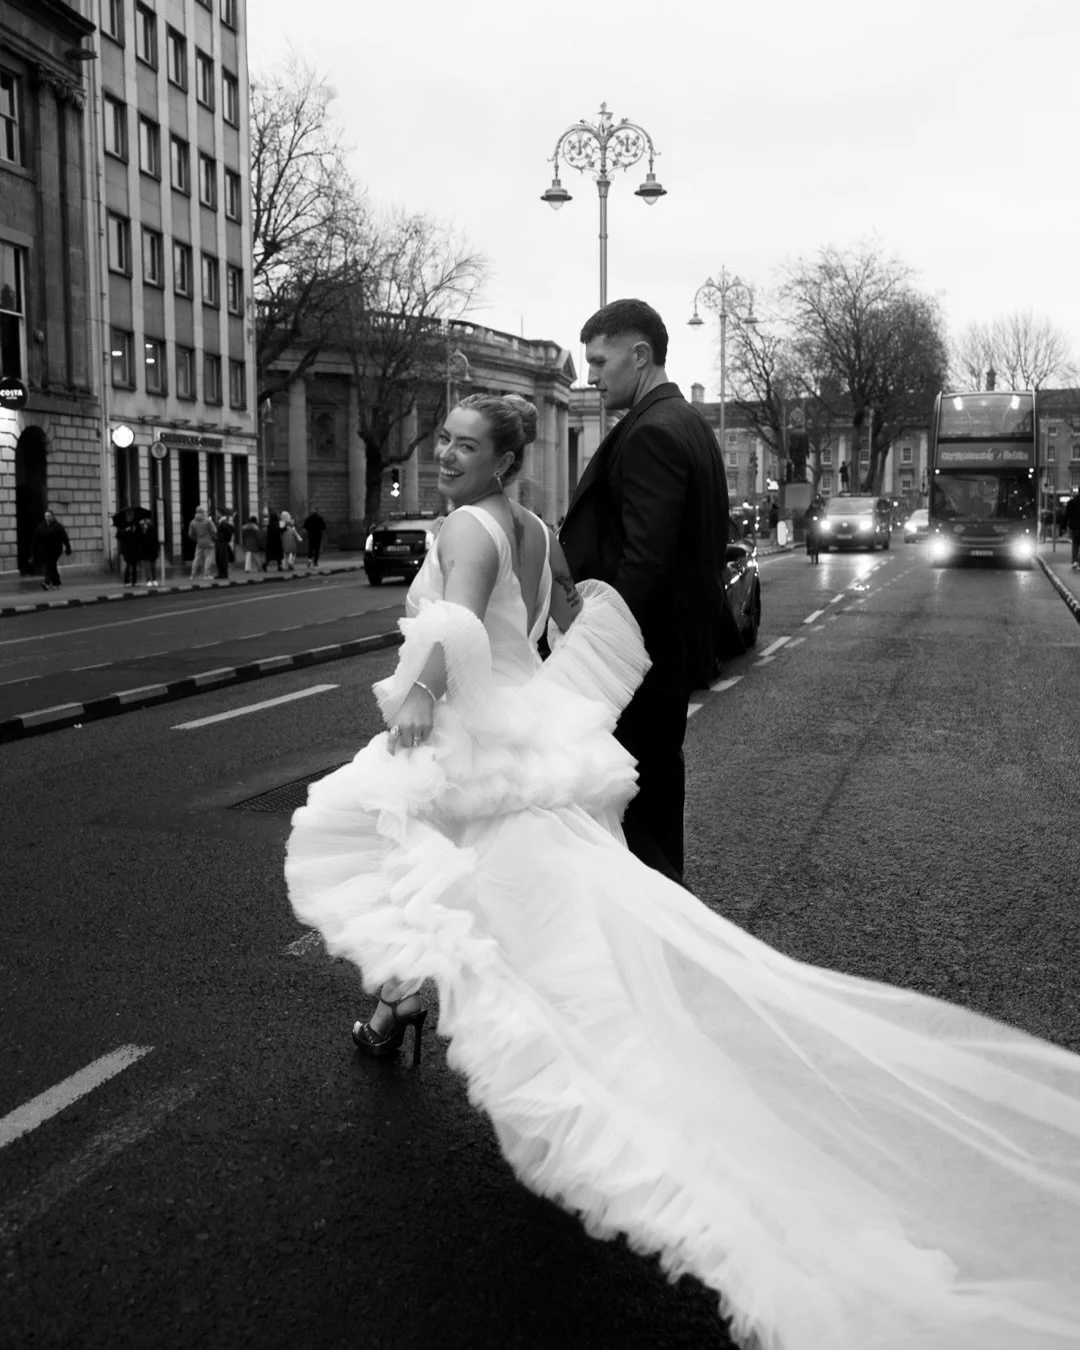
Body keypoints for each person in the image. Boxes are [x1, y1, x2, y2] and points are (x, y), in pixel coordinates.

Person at [285, 392, 1080, 1350]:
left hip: (470, 735)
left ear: (501, 462)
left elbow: (454, 627)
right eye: (442, 440)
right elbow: (558, 617)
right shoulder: (536, 527)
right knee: (473, 887)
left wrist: (413, 701)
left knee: (442, 876)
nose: (444, 454)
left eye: (464, 445)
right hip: (521, 727)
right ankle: (398, 1009)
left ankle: (599, 1080)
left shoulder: (464, 525)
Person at [559, 298, 729, 885]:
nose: (591, 376)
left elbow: (644, 566)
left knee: (639, 834)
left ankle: (659, 956)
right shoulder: (684, 422)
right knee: (651, 814)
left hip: (638, 669)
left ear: (640, 355)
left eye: (600, 361)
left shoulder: (653, 432)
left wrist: (596, 665)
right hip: (664, 661)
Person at [32, 509, 72, 590]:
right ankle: (56, 583)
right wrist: (33, 553)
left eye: (49, 516)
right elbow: (36, 540)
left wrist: (68, 548)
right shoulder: (41, 526)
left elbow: (65, 538)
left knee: (50, 565)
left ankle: (46, 582)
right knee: (51, 566)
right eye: (46, 516)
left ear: (53, 516)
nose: (47, 517)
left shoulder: (58, 527)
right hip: (45, 550)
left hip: (56, 550)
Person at [187, 506, 216, 581]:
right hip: (209, 542)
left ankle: (192, 575)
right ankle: (206, 575)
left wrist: (196, 539)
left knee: (197, 558)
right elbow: (214, 531)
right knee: (208, 558)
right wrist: (213, 538)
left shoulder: (192, 522)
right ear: (203, 512)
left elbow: (190, 534)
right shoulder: (208, 521)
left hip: (199, 542)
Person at [116, 509, 141, 588]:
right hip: (127, 548)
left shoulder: (136, 523)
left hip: (135, 547)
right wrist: (126, 531)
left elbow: (139, 534)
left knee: (134, 564)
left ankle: (134, 581)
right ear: (127, 516)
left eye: (131, 515)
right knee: (128, 564)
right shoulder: (123, 525)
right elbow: (119, 536)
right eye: (129, 516)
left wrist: (135, 530)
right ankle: (127, 581)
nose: (130, 517)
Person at [138, 515, 160, 587]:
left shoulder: (153, 529)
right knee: (147, 566)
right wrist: (143, 531)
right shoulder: (142, 530)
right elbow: (141, 541)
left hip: (152, 551)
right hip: (146, 551)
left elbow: (155, 540)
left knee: (153, 566)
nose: (146, 523)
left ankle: (154, 579)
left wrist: (157, 550)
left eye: (147, 522)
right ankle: (148, 580)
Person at [214, 510, 235, 580]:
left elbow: (230, 531)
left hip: (222, 543)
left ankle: (223, 574)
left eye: (217, 513)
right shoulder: (221, 522)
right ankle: (221, 573)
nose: (215, 515)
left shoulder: (223, 523)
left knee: (222, 558)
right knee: (219, 558)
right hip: (220, 543)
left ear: (220, 514)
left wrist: (224, 539)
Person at [805, 494, 825, 564]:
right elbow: (805, 517)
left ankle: (821, 546)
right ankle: (809, 548)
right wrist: (807, 521)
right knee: (808, 536)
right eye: (814, 503)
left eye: (816, 503)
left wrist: (823, 520)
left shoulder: (820, 510)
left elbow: (824, 517)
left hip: (818, 526)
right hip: (811, 526)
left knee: (822, 535)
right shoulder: (809, 510)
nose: (815, 505)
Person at [1063, 490, 1080, 570]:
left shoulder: (1072, 502)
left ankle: (1074, 561)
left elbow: (1066, 515)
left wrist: (1063, 526)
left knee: (1075, 542)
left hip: (1075, 526)